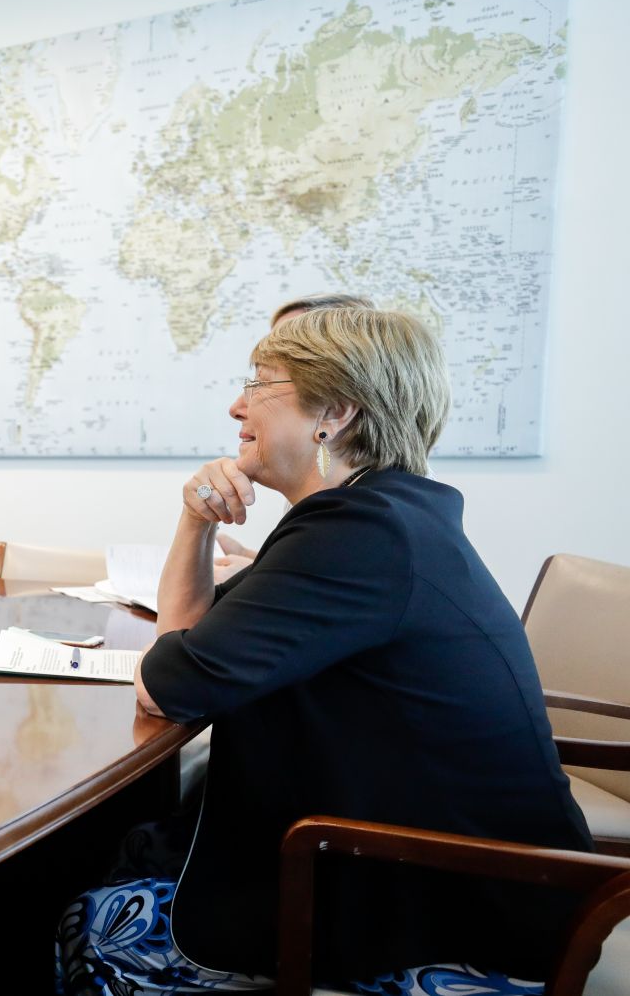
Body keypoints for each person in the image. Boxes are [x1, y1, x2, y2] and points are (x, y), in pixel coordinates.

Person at [59, 308, 589, 995]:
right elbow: (184, 645)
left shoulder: (359, 534)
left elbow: (167, 683)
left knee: (91, 931)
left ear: (332, 413)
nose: (237, 404)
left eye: (261, 383)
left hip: (460, 930)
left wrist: (177, 658)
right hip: (464, 888)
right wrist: (194, 521)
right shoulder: (381, 515)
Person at [213, 292, 376, 581]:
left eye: (267, 380)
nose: (238, 408)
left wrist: (255, 579)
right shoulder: (327, 481)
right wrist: (258, 568)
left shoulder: (364, 510)